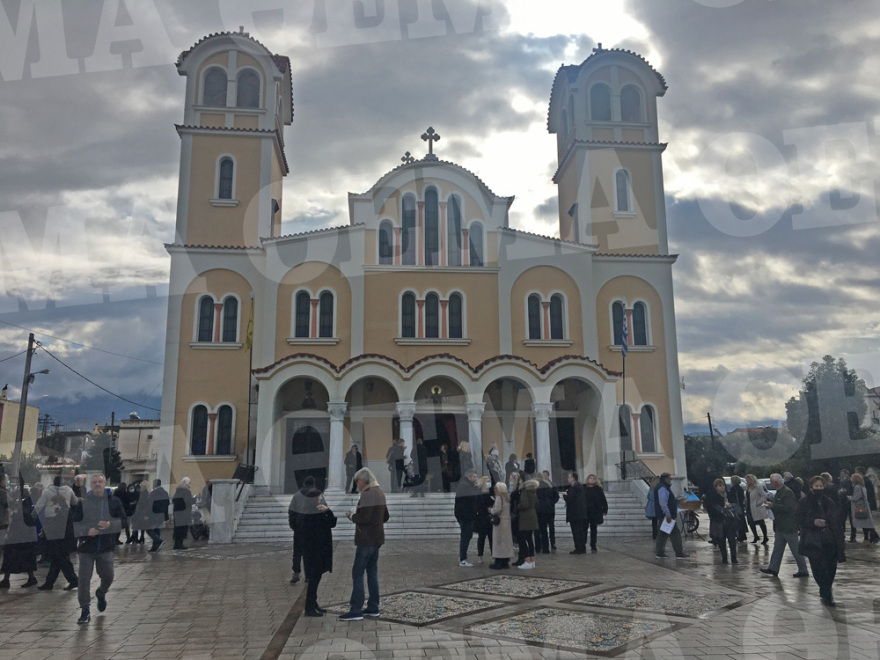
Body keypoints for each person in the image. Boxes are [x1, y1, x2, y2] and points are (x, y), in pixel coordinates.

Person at [71, 474, 126, 623]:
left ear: (105, 484)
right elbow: (74, 523)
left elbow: (124, 521)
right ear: (91, 485)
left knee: (108, 576)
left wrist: (111, 525)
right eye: (94, 482)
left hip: (106, 547)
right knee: (83, 580)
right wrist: (86, 531)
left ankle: (101, 592)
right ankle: (85, 609)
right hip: (86, 548)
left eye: (100, 482)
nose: (97, 484)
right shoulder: (84, 503)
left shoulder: (114, 502)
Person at [339, 468, 389, 621]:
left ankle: (356, 609)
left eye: (357, 481)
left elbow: (365, 518)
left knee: (358, 573)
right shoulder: (379, 492)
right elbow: (386, 516)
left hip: (366, 540)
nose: (356, 484)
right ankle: (373, 607)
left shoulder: (367, 494)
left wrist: (352, 516)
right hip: (377, 539)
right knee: (372, 572)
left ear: (364, 480)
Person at [796, 475, 845, 607]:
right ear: (811, 487)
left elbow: (837, 519)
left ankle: (826, 589)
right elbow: (799, 519)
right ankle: (827, 593)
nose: (819, 488)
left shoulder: (829, 501)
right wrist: (813, 522)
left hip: (830, 540)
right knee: (819, 569)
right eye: (816, 486)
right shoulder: (804, 502)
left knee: (831, 568)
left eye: (821, 486)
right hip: (814, 542)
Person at [298, 481, 337, 617]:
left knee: (316, 578)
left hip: (316, 551)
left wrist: (328, 511)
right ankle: (309, 607)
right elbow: (329, 525)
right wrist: (327, 512)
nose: (322, 499)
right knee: (314, 579)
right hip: (315, 552)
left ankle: (313, 604)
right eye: (321, 498)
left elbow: (332, 523)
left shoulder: (315, 511)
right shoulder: (312, 514)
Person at [34, 475, 79, 590]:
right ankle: (51, 582)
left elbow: (39, 505)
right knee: (58, 555)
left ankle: (72, 580)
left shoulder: (48, 492)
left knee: (59, 554)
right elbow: (75, 502)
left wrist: (31, 518)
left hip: (52, 524)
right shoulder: (68, 490)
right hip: (65, 523)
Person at [759, 474, 808, 577]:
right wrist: (771, 505)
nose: (771, 483)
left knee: (795, 549)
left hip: (789, 526)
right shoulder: (780, 492)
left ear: (775, 483)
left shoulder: (787, 492)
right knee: (778, 548)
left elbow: (790, 508)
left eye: (772, 482)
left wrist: (773, 506)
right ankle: (773, 568)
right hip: (781, 526)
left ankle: (803, 569)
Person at [0, 487, 38, 588]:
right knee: (25, 559)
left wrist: (9, 537)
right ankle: (31, 578)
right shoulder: (23, 510)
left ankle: (6, 580)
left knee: (9, 557)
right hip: (26, 540)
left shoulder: (19, 513)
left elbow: (16, 527)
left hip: (19, 540)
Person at [288, 475, 318, 584]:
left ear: (304, 484)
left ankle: (296, 572)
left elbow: (291, 512)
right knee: (309, 552)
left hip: (299, 527)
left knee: (297, 552)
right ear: (314, 484)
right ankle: (308, 575)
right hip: (312, 528)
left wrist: (293, 525)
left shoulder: (297, 496)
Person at [704, 478, 738, 565]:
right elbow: (711, 508)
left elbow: (736, 504)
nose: (722, 487)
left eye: (723, 485)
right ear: (715, 487)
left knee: (732, 540)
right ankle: (724, 558)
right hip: (719, 521)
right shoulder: (713, 496)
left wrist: (731, 507)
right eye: (720, 486)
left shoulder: (729, 495)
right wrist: (721, 510)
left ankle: (734, 558)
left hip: (729, 521)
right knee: (721, 540)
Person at [654, 472, 687, 559]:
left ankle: (659, 552)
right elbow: (663, 503)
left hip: (663, 515)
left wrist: (675, 501)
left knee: (662, 534)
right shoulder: (663, 488)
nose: (671, 480)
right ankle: (679, 552)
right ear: (665, 479)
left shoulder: (663, 487)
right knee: (675, 534)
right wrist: (668, 514)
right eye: (669, 478)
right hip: (666, 515)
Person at [454, 470, 482, 566]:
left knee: (467, 535)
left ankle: (462, 556)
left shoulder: (466, 485)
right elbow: (472, 498)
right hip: (465, 515)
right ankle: (463, 558)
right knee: (466, 536)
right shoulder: (465, 485)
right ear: (469, 477)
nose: (475, 479)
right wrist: (478, 489)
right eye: (474, 477)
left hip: (465, 514)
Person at [847, 472, 879, 545]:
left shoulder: (857, 487)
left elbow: (856, 497)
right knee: (866, 523)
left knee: (864, 523)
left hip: (860, 507)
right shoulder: (862, 486)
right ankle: (867, 538)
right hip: (864, 506)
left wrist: (848, 497)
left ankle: (873, 536)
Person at [489, 482, 514, 569]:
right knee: (506, 541)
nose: (494, 490)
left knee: (499, 541)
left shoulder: (499, 497)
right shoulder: (507, 497)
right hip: (507, 521)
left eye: (496, 488)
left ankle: (499, 561)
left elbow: (497, 509)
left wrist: (491, 510)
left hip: (500, 522)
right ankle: (505, 560)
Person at [516, 477, 538, 569]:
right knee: (529, 539)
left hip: (525, 517)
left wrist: (517, 506)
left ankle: (527, 560)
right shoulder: (534, 492)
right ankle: (532, 560)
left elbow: (524, 504)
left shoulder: (525, 491)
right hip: (532, 516)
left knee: (522, 539)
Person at [563, 471, 587, 554]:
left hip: (575, 514)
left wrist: (565, 496)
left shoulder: (574, 488)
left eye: (569, 477)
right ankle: (582, 547)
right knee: (580, 531)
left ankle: (578, 548)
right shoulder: (580, 487)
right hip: (580, 513)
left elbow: (571, 499)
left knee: (576, 532)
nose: (568, 479)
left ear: (573, 478)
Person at [583, 474, 608, 553]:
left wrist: (605, 510)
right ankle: (583, 544)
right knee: (584, 529)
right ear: (587, 479)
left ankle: (593, 545)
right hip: (586, 511)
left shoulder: (598, 489)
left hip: (595, 511)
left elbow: (603, 500)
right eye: (590, 478)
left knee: (594, 529)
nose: (592, 479)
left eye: (593, 478)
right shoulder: (584, 488)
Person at [536, 471, 559, 553]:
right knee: (544, 529)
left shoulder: (537, 486)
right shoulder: (549, 486)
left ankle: (540, 546)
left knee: (541, 528)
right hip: (548, 508)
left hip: (541, 509)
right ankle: (545, 547)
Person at [171, 477, 195, 550]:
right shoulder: (186, 492)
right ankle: (179, 544)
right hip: (184, 513)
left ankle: (177, 544)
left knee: (178, 529)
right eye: (189, 483)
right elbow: (188, 502)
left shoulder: (178, 491)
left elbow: (174, 500)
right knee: (182, 529)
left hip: (177, 513)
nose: (189, 485)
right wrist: (194, 500)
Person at [146, 479, 170, 552]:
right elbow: (168, 503)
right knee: (157, 529)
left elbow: (149, 505)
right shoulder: (165, 493)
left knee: (148, 529)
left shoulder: (153, 493)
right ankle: (155, 546)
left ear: (154, 485)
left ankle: (159, 541)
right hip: (162, 515)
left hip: (154, 514)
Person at [474, 477, 494, 563]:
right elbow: (477, 506)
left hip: (490, 517)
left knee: (491, 537)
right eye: (487, 482)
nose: (488, 483)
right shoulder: (479, 493)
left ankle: (494, 554)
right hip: (482, 517)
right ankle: (480, 555)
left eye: (489, 482)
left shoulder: (492, 493)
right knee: (481, 537)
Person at [745, 474, 769, 545]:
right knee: (751, 522)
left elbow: (764, 495)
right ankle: (755, 536)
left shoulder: (758, 487)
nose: (747, 481)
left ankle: (765, 537)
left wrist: (759, 502)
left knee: (761, 522)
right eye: (746, 480)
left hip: (757, 507)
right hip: (749, 507)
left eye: (749, 479)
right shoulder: (747, 487)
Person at [838, 468, 857, 542]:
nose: (841, 475)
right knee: (842, 520)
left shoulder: (850, 481)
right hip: (842, 503)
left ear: (846, 474)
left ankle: (853, 536)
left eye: (842, 474)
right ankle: (842, 535)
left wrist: (843, 492)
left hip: (849, 503)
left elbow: (850, 491)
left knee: (852, 521)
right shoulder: (841, 481)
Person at [727, 476, 748, 542]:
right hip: (740, 506)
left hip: (736, 506)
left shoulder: (734, 489)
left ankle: (740, 536)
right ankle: (742, 536)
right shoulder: (740, 488)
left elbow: (733, 498)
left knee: (737, 521)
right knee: (740, 520)